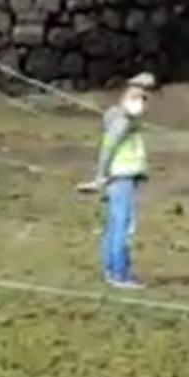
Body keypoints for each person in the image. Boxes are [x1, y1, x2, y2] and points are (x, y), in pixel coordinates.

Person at [79, 72, 157, 289]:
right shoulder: (122, 122)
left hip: (121, 176)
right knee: (123, 226)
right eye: (141, 98)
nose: (144, 104)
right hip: (121, 177)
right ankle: (120, 274)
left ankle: (112, 270)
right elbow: (108, 148)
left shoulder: (122, 118)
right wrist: (101, 176)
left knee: (115, 225)